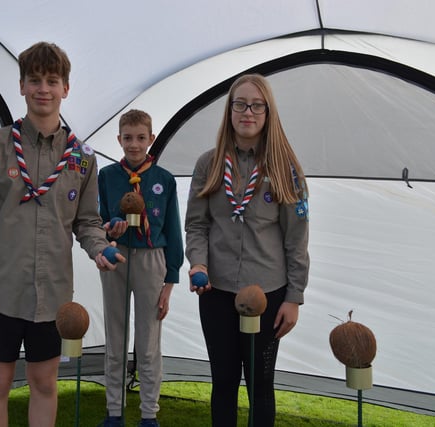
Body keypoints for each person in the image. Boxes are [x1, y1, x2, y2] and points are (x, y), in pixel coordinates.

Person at [0, 41, 123, 427]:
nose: (43, 89)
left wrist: (100, 249)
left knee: (45, 383)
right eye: (35, 80)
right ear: (21, 86)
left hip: (53, 298)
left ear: (66, 88)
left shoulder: (82, 157)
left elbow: (87, 221)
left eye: (52, 80)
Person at [184, 74, 309, 427]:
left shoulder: (286, 169)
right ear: (230, 110)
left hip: (269, 294)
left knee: (260, 385)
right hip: (216, 291)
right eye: (240, 104)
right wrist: (198, 263)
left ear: (268, 112)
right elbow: (197, 225)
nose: (248, 112)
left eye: (256, 105)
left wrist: (294, 297)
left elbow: (296, 237)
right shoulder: (208, 164)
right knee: (223, 382)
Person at [97, 109, 184, 427]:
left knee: (148, 341)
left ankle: (149, 414)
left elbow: (173, 230)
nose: (134, 145)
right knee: (115, 336)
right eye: (128, 138)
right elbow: (100, 220)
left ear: (152, 139)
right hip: (117, 258)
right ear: (119, 139)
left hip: (152, 259)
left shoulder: (164, 180)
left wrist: (170, 279)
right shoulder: (107, 176)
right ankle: (114, 411)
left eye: (140, 138)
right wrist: (111, 230)